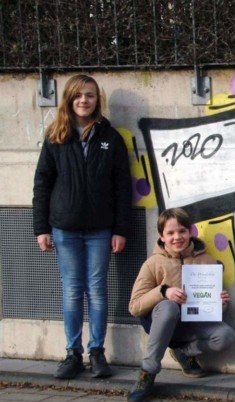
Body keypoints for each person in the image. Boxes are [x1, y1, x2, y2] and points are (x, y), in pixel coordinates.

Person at [32, 74, 132, 380]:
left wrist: (120, 229)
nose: (84, 101)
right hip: (64, 229)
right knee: (73, 291)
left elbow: (122, 188)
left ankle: (97, 352)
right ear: (69, 100)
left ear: (96, 100)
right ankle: (73, 353)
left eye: (89, 95)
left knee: (98, 291)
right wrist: (41, 228)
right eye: (78, 95)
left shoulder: (110, 138)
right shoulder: (56, 137)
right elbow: (42, 184)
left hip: (101, 230)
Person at [126, 208, 235, 402]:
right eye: (170, 233)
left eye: (182, 231)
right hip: (161, 321)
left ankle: (186, 351)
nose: (177, 237)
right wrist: (163, 291)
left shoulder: (207, 261)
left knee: (225, 335)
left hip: (192, 323)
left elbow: (215, 311)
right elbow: (135, 307)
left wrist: (222, 303)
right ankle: (147, 373)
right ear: (162, 237)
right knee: (169, 307)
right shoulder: (153, 263)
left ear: (190, 231)